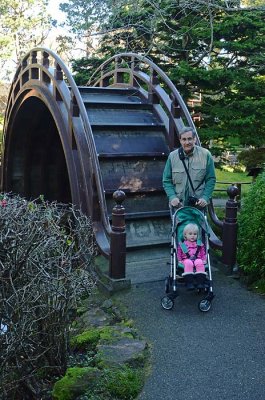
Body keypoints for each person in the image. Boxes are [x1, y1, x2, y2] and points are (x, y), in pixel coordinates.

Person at [162, 127, 216, 209]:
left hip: (198, 205)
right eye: (184, 139)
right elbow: (166, 180)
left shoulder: (205, 155)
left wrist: (205, 197)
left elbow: (211, 179)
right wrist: (172, 197)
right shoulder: (172, 156)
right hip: (178, 205)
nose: (187, 142)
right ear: (180, 141)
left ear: (194, 139)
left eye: (189, 139)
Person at [177, 223, 207, 290]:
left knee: (199, 262)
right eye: (190, 234)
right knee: (188, 263)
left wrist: (204, 259)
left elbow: (203, 253)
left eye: (195, 234)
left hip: (198, 258)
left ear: (197, 235)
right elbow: (179, 253)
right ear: (185, 235)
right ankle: (189, 283)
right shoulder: (183, 244)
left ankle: (200, 282)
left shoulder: (199, 244)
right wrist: (179, 260)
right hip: (186, 259)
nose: (192, 236)